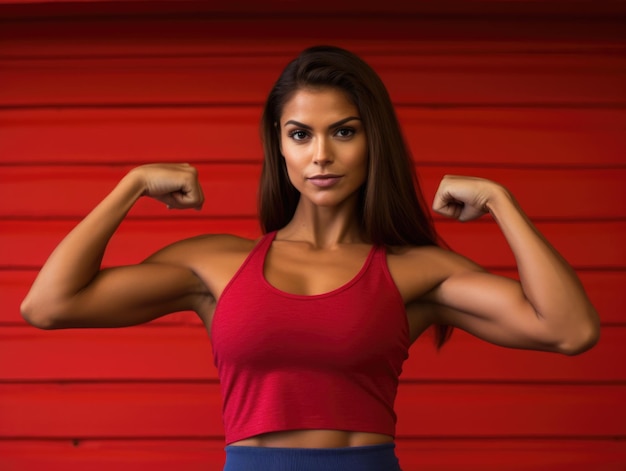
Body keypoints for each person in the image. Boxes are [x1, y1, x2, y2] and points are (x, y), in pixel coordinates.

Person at [21, 45, 600, 471]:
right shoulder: (215, 265)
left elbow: (569, 330)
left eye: (343, 132)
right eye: (301, 135)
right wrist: (132, 185)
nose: (321, 155)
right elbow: (49, 305)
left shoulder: (412, 271)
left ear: (374, 139)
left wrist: (502, 202)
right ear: (279, 142)